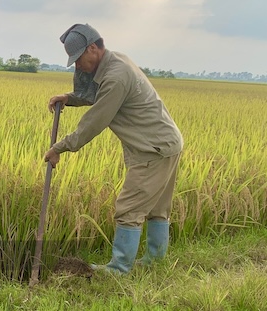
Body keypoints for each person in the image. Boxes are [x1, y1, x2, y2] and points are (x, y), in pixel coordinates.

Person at [44, 23, 183, 274]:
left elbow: (95, 121)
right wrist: (69, 97)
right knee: (157, 208)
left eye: (78, 59)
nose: (77, 66)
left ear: (93, 49)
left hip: (152, 150)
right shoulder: (115, 61)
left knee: (128, 209)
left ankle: (119, 269)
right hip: (165, 143)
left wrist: (59, 148)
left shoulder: (117, 76)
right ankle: (155, 262)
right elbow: (96, 92)